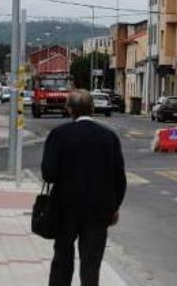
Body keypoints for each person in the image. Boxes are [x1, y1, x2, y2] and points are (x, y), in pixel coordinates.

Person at [41, 89, 127, 286]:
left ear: (69, 109)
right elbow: (119, 178)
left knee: (62, 258)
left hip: (64, 208)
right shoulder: (108, 137)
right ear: (92, 108)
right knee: (91, 263)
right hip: (98, 210)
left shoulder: (59, 135)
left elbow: (49, 173)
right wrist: (114, 206)